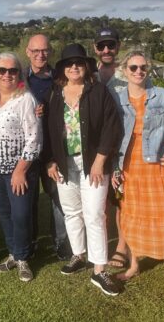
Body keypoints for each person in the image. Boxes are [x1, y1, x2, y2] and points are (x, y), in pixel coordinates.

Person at [92, 27, 164, 269]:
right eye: (101, 46)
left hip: (123, 147)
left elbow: (152, 107)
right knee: (100, 199)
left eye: (111, 45)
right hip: (98, 147)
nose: (106, 50)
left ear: (118, 46)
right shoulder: (92, 75)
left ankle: (121, 246)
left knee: (122, 200)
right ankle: (98, 243)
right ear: (95, 49)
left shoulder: (132, 70)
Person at [43, 44, 122, 296]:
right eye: (69, 63)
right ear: (62, 69)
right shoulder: (54, 94)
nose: (74, 67)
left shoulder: (98, 91)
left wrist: (100, 160)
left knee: (94, 215)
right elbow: (46, 131)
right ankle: (79, 254)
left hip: (93, 164)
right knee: (71, 212)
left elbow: (112, 127)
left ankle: (99, 270)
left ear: (86, 66)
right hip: (64, 164)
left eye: (78, 62)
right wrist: (50, 161)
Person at [112, 50, 164, 294]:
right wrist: (114, 168)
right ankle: (134, 265)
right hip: (128, 169)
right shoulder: (117, 98)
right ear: (125, 70)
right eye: (133, 67)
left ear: (148, 69)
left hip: (155, 167)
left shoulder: (163, 96)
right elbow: (111, 136)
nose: (138, 72)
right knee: (131, 218)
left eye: (143, 67)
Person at [0, 52, 42, 282]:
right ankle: (13, 254)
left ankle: (23, 258)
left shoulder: (25, 99)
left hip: (18, 170)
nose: (7, 75)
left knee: (21, 215)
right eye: (2, 70)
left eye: (13, 70)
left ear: (19, 73)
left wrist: (20, 170)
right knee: (5, 214)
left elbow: (35, 138)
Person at [25, 34, 72, 261]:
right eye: (35, 51)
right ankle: (31, 242)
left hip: (53, 149)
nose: (40, 55)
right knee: (29, 199)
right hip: (28, 150)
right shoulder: (18, 79)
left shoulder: (60, 79)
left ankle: (61, 242)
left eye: (44, 51)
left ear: (50, 52)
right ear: (28, 52)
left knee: (57, 197)